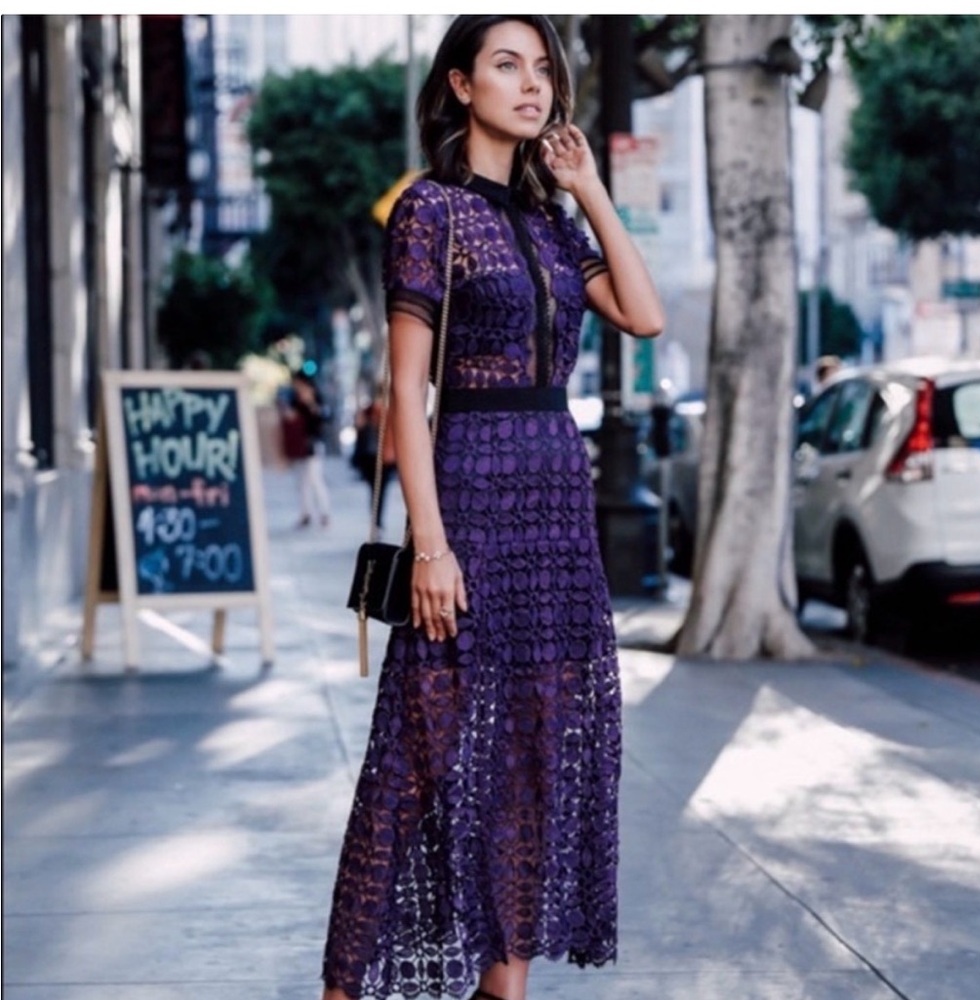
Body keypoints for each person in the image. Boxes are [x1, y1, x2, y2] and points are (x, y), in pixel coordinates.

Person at [320, 16, 664, 1000]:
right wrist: (429, 544)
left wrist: (589, 187)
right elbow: (405, 392)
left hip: (557, 503)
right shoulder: (428, 211)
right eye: (506, 66)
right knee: (414, 758)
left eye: (542, 69)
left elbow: (643, 315)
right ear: (462, 87)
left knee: (535, 752)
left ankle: (502, 987)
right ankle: (344, 988)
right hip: (466, 491)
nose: (530, 84)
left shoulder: (555, 222)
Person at [280, 370, 332, 528]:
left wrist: (310, 403)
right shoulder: (294, 399)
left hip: (313, 444)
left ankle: (324, 513)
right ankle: (306, 513)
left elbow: (324, 417)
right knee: (301, 482)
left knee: (315, 479)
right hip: (299, 445)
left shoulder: (315, 397)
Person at [352, 382, 397, 534]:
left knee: (378, 490)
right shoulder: (373, 410)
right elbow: (359, 426)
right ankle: (376, 521)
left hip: (381, 457)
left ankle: (377, 521)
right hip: (374, 457)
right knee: (377, 490)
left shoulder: (385, 411)